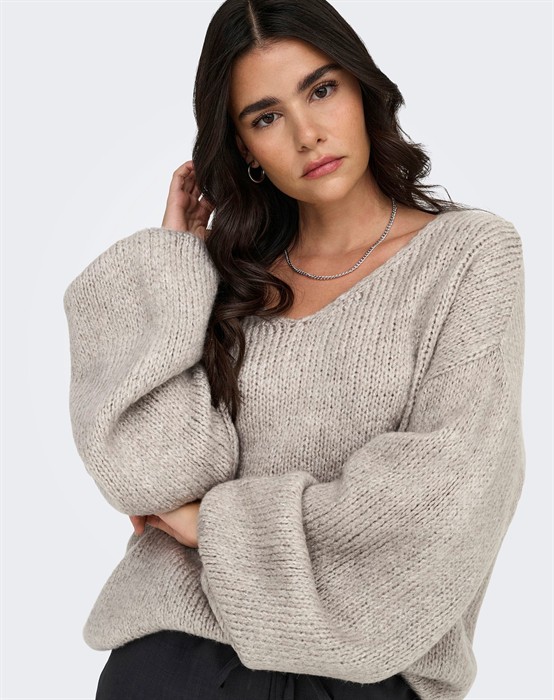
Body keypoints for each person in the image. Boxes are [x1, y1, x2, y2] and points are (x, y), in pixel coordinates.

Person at [62, 0, 526, 698]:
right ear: (244, 147)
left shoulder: (469, 255)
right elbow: (148, 473)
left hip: (359, 673)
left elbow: (444, 500)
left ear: (362, 88)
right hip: (174, 659)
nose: (308, 134)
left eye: (322, 89)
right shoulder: (223, 277)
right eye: (266, 117)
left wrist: (210, 527)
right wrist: (175, 268)